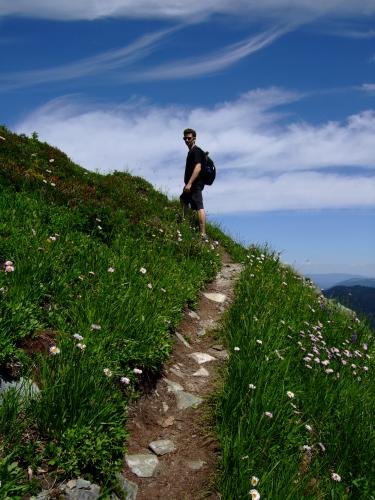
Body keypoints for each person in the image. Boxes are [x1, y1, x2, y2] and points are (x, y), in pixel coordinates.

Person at [180, 128, 207, 239]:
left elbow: (198, 167)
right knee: (183, 199)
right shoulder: (191, 151)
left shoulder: (196, 151)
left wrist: (190, 183)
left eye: (189, 138)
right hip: (191, 184)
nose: (186, 140)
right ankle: (185, 222)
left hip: (195, 184)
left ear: (194, 138)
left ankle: (203, 233)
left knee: (199, 206)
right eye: (184, 138)